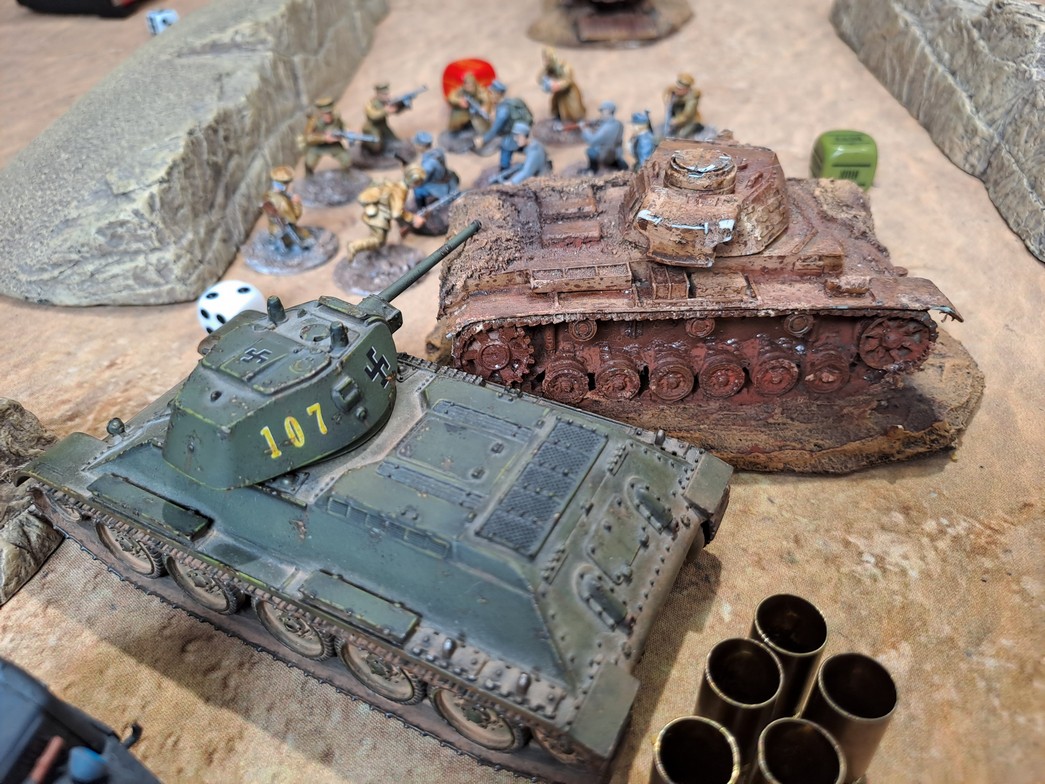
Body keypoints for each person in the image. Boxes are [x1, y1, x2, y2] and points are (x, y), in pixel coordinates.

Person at [345, 168, 425, 258]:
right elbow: (396, 213)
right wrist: (413, 218)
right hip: (378, 218)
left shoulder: (396, 185)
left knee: (377, 237)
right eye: (419, 182)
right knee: (378, 240)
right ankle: (354, 246)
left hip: (377, 213)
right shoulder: (400, 191)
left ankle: (369, 248)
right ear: (414, 182)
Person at [477, 80, 535, 169]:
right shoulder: (510, 102)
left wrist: (483, 140)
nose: (490, 96)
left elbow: (495, 129)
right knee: (521, 147)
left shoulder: (503, 110)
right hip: (521, 131)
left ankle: (505, 168)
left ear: (497, 94)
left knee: (506, 148)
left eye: (491, 93)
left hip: (513, 135)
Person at [303, 97, 353, 176]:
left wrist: (344, 133)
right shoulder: (313, 121)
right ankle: (308, 177)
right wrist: (324, 138)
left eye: (330, 113)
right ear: (320, 113)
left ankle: (346, 176)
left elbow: (342, 127)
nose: (328, 116)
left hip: (333, 145)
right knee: (309, 163)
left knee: (346, 160)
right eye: (325, 114)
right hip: (317, 146)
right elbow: (307, 137)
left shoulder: (336, 118)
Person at [262, 166, 310, 249]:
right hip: (283, 229)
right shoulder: (283, 202)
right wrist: (296, 203)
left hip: (274, 227)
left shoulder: (269, 194)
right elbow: (294, 218)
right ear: (285, 184)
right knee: (301, 237)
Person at [537, 47, 585, 123]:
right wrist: (545, 81)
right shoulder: (549, 68)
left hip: (569, 92)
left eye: (548, 59)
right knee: (556, 107)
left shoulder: (564, 66)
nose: (546, 62)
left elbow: (568, 80)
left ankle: (576, 121)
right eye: (545, 59)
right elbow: (540, 78)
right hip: (558, 93)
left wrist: (558, 85)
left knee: (574, 111)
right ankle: (559, 118)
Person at [411, 134, 459, 207]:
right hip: (447, 181)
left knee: (417, 189)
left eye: (417, 144)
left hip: (442, 188)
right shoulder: (438, 152)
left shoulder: (429, 163)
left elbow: (422, 180)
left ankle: (422, 210)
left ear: (422, 146)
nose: (415, 146)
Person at [582, 100, 627, 173]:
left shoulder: (609, 126)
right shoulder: (617, 123)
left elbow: (593, 141)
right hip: (615, 152)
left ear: (608, 111)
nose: (601, 113)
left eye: (603, 110)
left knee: (591, 150)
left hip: (608, 153)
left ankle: (592, 170)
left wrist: (585, 130)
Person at [362, 82, 406, 155]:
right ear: (378, 94)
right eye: (384, 94)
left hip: (383, 125)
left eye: (387, 94)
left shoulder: (386, 101)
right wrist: (385, 111)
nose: (387, 96)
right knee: (376, 147)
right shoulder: (370, 103)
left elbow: (396, 112)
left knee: (395, 142)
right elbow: (373, 116)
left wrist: (402, 105)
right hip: (372, 127)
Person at [663, 72, 704, 138]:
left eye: (680, 89)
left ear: (687, 89)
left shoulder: (692, 99)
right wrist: (667, 101)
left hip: (690, 120)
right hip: (677, 115)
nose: (676, 90)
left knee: (681, 136)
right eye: (677, 87)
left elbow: (687, 115)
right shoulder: (675, 90)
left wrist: (675, 121)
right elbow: (667, 91)